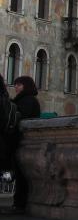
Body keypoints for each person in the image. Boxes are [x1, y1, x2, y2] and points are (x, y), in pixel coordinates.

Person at [10, 76, 41, 212]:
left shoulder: (28, 100)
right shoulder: (22, 100)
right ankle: (19, 202)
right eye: (15, 84)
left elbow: (22, 117)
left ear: (26, 86)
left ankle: (20, 203)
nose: (16, 87)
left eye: (19, 85)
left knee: (22, 174)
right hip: (21, 141)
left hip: (24, 142)